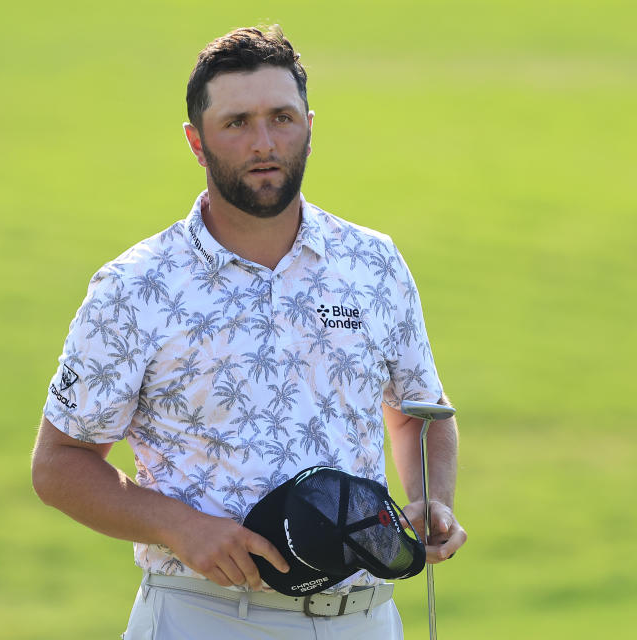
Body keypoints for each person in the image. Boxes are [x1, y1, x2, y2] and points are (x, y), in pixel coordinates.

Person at [31, 25, 466, 639]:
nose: (264, 143)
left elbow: (421, 411)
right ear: (196, 141)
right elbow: (59, 464)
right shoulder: (135, 287)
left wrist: (430, 499)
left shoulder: (372, 263)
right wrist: (178, 525)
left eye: (281, 118)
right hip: (206, 616)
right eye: (236, 123)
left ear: (310, 126)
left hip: (365, 619)